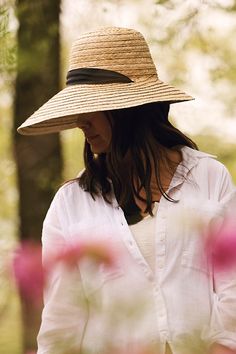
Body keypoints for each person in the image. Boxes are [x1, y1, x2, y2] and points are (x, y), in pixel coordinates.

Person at [17, 27, 236, 354]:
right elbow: (62, 322)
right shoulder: (71, 205)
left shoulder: (208, 178)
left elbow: (233, 288)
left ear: (129, 111)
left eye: (92, 107)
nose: (81, 122)